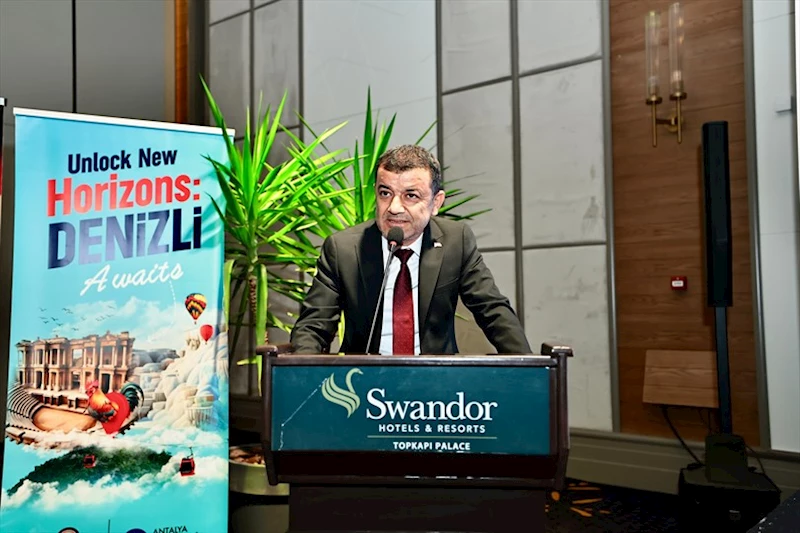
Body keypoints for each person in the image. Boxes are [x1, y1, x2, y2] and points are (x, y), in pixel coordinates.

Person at [290, 144, 531, 355]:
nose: (394, 207)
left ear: (436, 203)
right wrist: (299, 376)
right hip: (364, 380)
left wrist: (532, 370)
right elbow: (313, 326)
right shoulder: (343, 249)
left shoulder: (455, 242)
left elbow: (492, 310)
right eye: (385, 193)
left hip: (434, 382)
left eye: (411, 196)